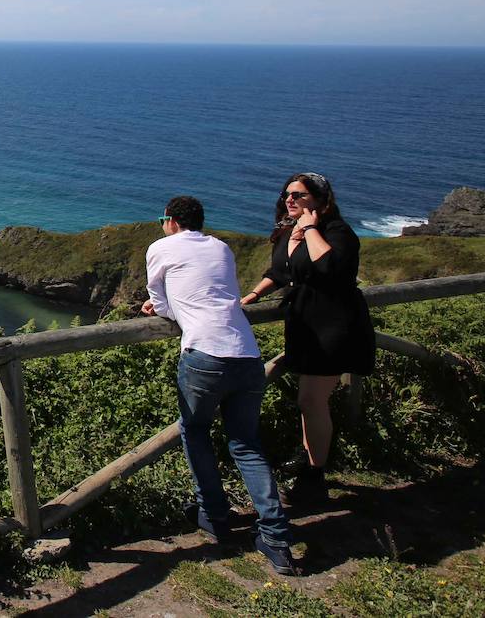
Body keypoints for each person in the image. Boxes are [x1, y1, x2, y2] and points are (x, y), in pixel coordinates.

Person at [143, 195, 297, 575]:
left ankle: (214, 514)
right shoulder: (221, 247)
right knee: (246, 444)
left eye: (162, 218)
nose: (161, 224)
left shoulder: (161, 247)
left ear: (173, 221)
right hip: (246, 354)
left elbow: (161, 302)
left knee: (195, 432)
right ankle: (276, 536)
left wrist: (157, 308)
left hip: (204, 355)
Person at [241, 172, 374, 504]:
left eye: (298, 195)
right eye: (287, 194)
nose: (289, 200)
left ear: (321, 200)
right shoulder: (291, 231)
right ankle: (309, 460)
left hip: (333, 324)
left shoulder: (337, 232)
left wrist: (311, 228)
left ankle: (315, 475)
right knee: (308, 400)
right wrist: (252, 296)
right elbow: (280, 272)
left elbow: (329, 266)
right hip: (304, 323)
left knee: (312, 401)